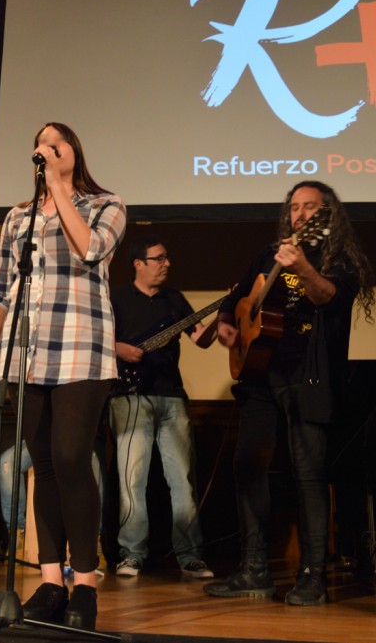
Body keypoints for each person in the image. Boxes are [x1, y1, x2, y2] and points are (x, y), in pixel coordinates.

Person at [0, 122, 126, 631]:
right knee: (44, 465)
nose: (46, 150)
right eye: (40, 144)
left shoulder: (105, 205)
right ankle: (50, 580)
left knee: (70, 457)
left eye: (55, 145)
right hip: (25, 354)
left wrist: (60, 186)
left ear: (71, 153)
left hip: (82, 350)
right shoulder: (17, 217)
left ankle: (85, 583)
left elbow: (91, 250)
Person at [204, 180, 375, 605]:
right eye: (294, 207)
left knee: (308, 474)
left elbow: (328, 298)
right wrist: (229, 321)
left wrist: (301, 266)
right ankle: (255, 571)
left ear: (326, 214)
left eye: (309, 207)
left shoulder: (341, 258)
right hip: (260, 377)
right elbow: (239, 295)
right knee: (247, 468)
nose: (299, 214)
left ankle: (312, 576)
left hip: (308, 377)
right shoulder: (269, 252)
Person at [109, 235, 218, 579]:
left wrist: (223, 314)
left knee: (182, 480)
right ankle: (131, 554)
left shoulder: (175, 300)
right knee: (132, 479)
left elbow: (200, 339)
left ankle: (190, 555)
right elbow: (94, 336)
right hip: (129, 397)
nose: (167, 263)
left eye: (167, 258)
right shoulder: (116, 297)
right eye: (159, 258)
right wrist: (120, 349)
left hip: (172, 396)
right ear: (138, 264)